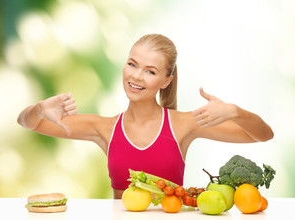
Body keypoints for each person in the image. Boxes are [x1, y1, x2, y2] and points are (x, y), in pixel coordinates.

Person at [17, 34, 274, 199]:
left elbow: (262, 135)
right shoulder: (103, 128)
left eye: (150, 71)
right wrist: (40, 108)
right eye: (132, 64)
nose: (136, 76)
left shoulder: (183, 124)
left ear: (166, 80)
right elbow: (28, 123)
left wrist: (235, 112)